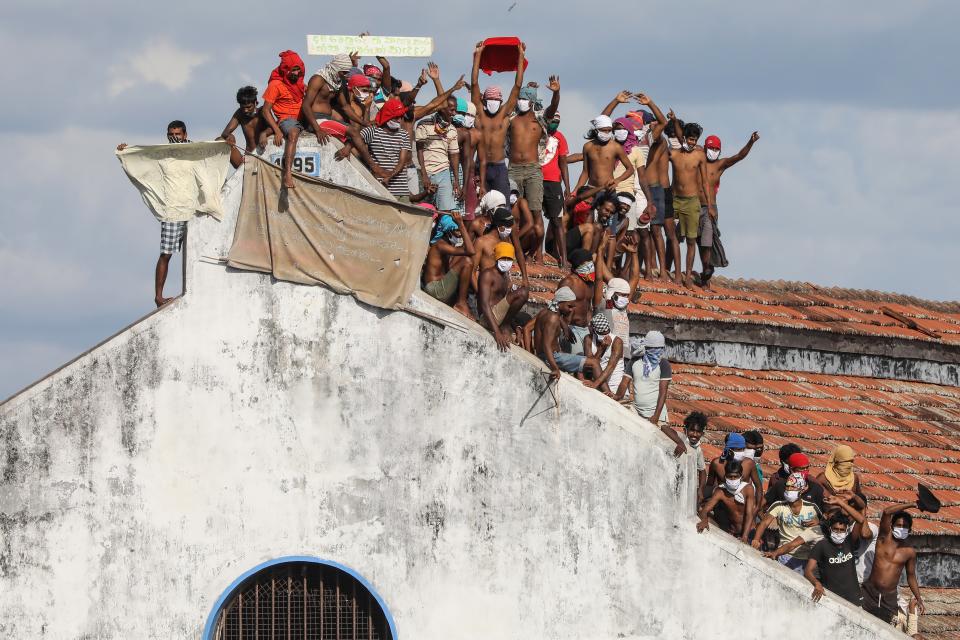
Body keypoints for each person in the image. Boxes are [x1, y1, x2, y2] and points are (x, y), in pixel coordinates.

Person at [117, 120, 193, 307]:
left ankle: (192, 292)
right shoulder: (163, 154)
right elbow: (143, 160)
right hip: (172, 210)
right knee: (166, 253)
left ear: (184, 134)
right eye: (171, 134)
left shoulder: (194, 151)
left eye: (177, 134)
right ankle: (158, 296)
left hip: (194, 209)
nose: (174, 137)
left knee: (194, 252)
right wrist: (126, 153)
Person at [507, 77, 560, 262]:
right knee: (515, 213)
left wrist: (556, 92)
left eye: (525, 99)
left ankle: (537, 254)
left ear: (532, 103)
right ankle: (515, 249)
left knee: (536, 211)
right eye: (520, 98)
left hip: (532, 170)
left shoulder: (540, 120)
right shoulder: (511, 119)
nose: (521, 102)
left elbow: (552, 109)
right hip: (513, 169)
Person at [698, 131, 759, 289]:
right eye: (711, 148)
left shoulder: (720, 165)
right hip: (693, 206)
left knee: (707, 242)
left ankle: (707, 271)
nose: (713, 151)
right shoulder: (697, 160)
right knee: (695, 242)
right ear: (705, 148)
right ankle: (701, 272)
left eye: (716, 149)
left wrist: (750, 142)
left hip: (710, 208)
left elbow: (739, 156)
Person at [471, 41, 525, 199]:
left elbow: (517, 85)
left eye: (496, 99)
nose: (493, 102)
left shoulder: (505, 113)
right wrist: (478, 54)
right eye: (490, 99)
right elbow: (474, 83)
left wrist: (521, 57)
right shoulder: (480, 112)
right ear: (484, 100)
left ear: (501, 102)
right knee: (480, 208)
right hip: (480, 166)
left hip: (499, 167)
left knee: (503, 207)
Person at [668, 121, 714, 287]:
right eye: (690, 139)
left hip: (692, 201)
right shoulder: (673, 154)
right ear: (684, 138)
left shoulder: (700, 156)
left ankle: (688, 275)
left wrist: (709, 206)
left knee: (691, 240)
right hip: (674, 201)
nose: (692, 143)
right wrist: (673, 120)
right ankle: (676, 272)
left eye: (695, 140)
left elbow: (705, 182)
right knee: (672, 237)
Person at [862, 502, 925, 623]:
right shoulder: (883, 539)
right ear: (892, 526)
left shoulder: (909, 552)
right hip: (870, 592)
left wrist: (919, 598)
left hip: (889, 598)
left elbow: (911, 577)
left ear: (909, 530)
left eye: (905, 526)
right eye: (899, 525)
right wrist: (913, 504)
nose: (901, 528)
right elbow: (886, 512)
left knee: (884, 630)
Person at [805, 495, 872, 606]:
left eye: (842, 530)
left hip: (854, 598)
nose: (838, 532)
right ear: (830, 529)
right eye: (836, 529)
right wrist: (816, 583)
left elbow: (861, 519)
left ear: (846, 531)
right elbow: (808, 570)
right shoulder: (822, 546)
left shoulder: (849, 541)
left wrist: (840, 503)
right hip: (833, 599)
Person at [754, 473, 823, 573]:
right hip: (784, 555)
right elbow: (764, 523)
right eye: (787, 487)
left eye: (793, 487)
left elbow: (824, 524)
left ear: (802, 489)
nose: (789, 490)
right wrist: (756, 539)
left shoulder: (812, 507)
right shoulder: (779, 506)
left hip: (806, 558)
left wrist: (818, 522)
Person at [632, 330, 686, 457]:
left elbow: (663, 393)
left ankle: (681, 443)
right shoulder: (636, 362)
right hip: (637, 410)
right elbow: (625, 383)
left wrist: (656, 416)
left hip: (656, 413)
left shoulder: (663, 364)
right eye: (653, 349)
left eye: (659, 349)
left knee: (664, 428)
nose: (656, 352)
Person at [261, 50, 307, 189]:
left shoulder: (301, 84)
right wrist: (277, 131)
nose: (295, 74)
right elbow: (265, 110)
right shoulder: (275, 84)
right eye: (293, 70)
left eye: (298, 70)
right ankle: (287, 173)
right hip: (287, 120)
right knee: (293, 133)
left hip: (303, 119)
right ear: (286, 69)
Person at [355, 98, 411, 202]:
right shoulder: (373, 131)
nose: (399, 120)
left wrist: (390, 176)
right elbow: (355, 139)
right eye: (396, 117)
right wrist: (347, 148)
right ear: (387, 116)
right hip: (380, 189)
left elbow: (402, 161)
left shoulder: (404, 135)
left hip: (401, 190)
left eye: (401, 117)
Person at [477, 241, 529, 351]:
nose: (506, 262)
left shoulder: (506, 277)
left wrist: (515, 327)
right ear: (497, 258)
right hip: (487, 319)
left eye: (509, 259)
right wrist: (497, 333)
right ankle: (504, 327)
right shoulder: (488, 274)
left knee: (525, 318)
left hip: (498, 319)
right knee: (523, 293)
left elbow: (505, 307)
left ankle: (506, 327)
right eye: (503, 258)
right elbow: (484, 305)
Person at [422, 213, 476, 318]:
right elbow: (471, 251)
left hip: (440, 286)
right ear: (448, 231)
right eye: (456, 231)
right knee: (467, 261)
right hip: (435, 289)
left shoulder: (447, 245)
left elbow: (467, 249)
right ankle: (461, 303)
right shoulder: (440, 244)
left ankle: (462, 302)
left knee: (462, 260)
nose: (460, 234)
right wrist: (461, 224)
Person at [696, 459, 756, 542]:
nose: (732, 479)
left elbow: (749, 515)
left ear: (741, 477)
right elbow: (705, 510)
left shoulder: (748, 489)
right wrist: (704, 519)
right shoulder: (720, 491)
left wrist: (745, 536)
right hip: (732, 532)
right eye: (730, 477)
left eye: (735, 477)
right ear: (725, 477)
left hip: (749, 532)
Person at [534, 286, 587, 380]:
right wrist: (554, 368)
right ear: (559, 303)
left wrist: (565, 327)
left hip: (549, 355)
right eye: (569, 306)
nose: (571, 310)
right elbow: (546, 345)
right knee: (593, 363)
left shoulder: (545, 312)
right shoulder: (553, 319)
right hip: (552, 357)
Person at [471, 206, 529, 291]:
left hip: (502, 289)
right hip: (487, 289)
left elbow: (518, 251)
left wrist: (525, 278)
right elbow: (472, 272)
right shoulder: (481, 242)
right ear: (500, 226)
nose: (510, 229)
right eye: (508, 227)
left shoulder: (505, 241)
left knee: (522, 295)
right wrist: (480, 295)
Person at [416, 102, 461, 211]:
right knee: (424, 209)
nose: (454, 113)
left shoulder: (452, 129)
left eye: (455, 110)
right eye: (451, 110)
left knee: (445, 210)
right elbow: (419, 150)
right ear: (442, 109)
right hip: (426, 172)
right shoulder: (424, 124)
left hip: (443, 171)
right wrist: (424, 175)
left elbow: (454, 155)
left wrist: (456, 180)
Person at [573, 115, 634, 193]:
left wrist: (617, 180)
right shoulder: (587, 147)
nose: (607, 133)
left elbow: (630, 169)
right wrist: (575, 191)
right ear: (596, 130)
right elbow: (585, 172)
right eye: (604, 130)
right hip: (591, 190)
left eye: (609, 130)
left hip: (608, 190)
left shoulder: (616, 147)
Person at [301, 53, 354, 143]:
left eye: (347, 72)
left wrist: (363, 122)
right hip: (316, 120)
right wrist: (317, 129)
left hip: (328, 118)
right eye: (343, 72)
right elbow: (305, 105)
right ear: (336, 68)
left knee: (354, 135)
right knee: (353, 132)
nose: (345, 75)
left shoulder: (337, 82)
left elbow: (345, 106)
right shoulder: (318, 79)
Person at [706, 433, 762, 512]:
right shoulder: (717, 464)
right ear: (729, 450)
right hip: (723, 507)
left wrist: (757, 506)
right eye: (738, 450)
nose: (742, 452)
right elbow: (709, 485)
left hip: (744, 507)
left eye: (743, 449)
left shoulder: (749, 464)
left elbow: (758, 486)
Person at [556, 248, 597, 353]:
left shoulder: (590, 283)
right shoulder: (568, 282)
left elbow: (589, 308)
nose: (590, 266)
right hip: (571, 328)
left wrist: (590, 327)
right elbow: (554, 307)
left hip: (586, 330)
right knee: (578, 359)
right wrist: (565, 327)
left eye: (591, 263)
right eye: (586, 264)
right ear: (577, 265)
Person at [218, 86, 269, 168]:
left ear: (256, 102)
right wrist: (230, 136)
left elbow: (275, 129)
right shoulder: (240, 114)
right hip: (248, 158)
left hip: (266, 157)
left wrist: (264, 133)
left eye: (249, 107)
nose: (245, 110)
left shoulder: (263, 112)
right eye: (243, 107)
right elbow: (224, 133)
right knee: (219, 140)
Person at [582, 312, 627, 399]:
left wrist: (596, 383)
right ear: (594, 330)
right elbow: (590, 364)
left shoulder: (617, 341)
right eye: (602, 334)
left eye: (607, 332)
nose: (606, 336)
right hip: (597, 382)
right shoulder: (588, 339)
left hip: (614, 385)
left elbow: (611, 366)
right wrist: (601, 348)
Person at [452, 98, 477, 217]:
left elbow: (466, 160)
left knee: (457, 214)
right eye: (458, 113)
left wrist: (465, 186)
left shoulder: (465, 134)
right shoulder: (444, 130)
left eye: (463, 113)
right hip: (443, 172)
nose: (460, 116)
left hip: (459, 174)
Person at [684, 412, 708, 505]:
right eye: (692, 430)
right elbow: (665, 428)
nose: (694, 434)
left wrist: (700, 490)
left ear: (702, 433)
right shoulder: (680, 440)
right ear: (685, 430)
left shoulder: (697, 449)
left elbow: (702, 470)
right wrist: (680, 443)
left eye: (698, 432)